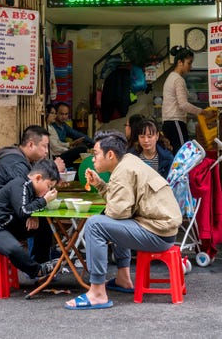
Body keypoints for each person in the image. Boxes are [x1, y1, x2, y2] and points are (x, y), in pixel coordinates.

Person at [64, 131, 182, 310]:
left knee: (95, 225)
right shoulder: (127, 161)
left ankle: (97, 293)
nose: (93, 159)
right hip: (161, 229)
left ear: (110, 154)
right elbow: (122, 204)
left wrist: (105, 195)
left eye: (95, 154)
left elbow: (117, 213)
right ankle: (123, 278)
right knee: (113, 222)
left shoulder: (123, 171)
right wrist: (100, 184)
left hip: (158, 234)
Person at [0, 125, 64, 265]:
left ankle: (42, 260)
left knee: (40, 216)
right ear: (31, 144)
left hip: (7, 213)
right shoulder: (17, 165)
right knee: (43, 221)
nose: (46, 151)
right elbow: (24, 197)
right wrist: (32, 214)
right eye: (44, 146)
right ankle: (40, 267)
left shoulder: (22, 161)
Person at [0, 159, 60, 279]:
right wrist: (44, 201)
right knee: (14, 248)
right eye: (48, 186)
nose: (48, 191)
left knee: (44, 224)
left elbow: (27, 210)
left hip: (9, 227)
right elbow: (23, 210)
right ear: (37, 178)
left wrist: (34, 215)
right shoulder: (20, 184)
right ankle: (36, 270)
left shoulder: (32, 188)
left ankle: (41, 262)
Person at [162, 46, 210, 154]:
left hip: (169, 122)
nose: (191, 66)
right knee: (183, 156)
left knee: (176, 155)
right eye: (189, 63)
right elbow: (183, 105)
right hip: (175, 122)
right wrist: (203, 112)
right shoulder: (178, 79)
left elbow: (185, 97)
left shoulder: (171, 77)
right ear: (180, 62)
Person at [46, 103, 87, 169]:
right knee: (81, 149)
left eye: (66, 114)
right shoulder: (47, 128)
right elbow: (56, 148)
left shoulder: (52, 127)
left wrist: (70, 144)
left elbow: (58, 143)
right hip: (55, 157)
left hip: (60, 152)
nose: (55, 115)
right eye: (52, 113)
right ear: (46, 114)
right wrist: (68, 149)